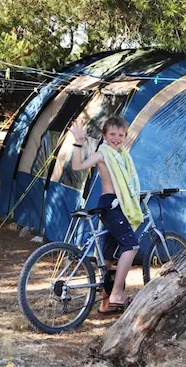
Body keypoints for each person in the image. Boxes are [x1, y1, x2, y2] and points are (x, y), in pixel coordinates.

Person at [69, 115, 142, 314]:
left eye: (120, 135)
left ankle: (105, 303)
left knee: (108, 256)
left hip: (118, 205)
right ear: (104, 135)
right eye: (112, 134)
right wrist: (78, 143)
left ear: (126, 136)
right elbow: (77, 166)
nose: (116, 138)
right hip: (111, 205)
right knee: (131, 246)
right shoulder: (103, 154)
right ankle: (117, 294)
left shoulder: (123, 156)